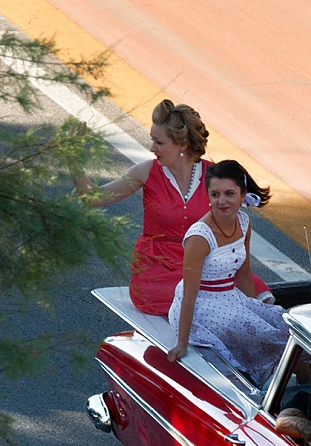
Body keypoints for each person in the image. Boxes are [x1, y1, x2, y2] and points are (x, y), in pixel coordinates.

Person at [69, 98, 272, 314]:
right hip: (157, 272)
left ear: (182, 145)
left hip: (203, 264)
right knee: (199, 294)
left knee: (255, 293)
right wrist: (72, 158)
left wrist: (254, 308)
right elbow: (93, 198)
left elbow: (233, 239)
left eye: (159, 142)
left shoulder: (215, 176)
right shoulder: (146, 172)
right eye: (152, 140)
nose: (152, 148)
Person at [167, 161, 288, 386]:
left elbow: (244, 274)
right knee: (274, 338)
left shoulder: (244, 221)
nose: (221, 201)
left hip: (230, 297)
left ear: (243, 195)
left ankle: (299, 384)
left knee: (286, 325)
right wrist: (182, 343)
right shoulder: (199, 237)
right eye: (215, 194)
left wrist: (256, 310)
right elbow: (190, 293)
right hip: (202, 307)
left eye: (229, 194)